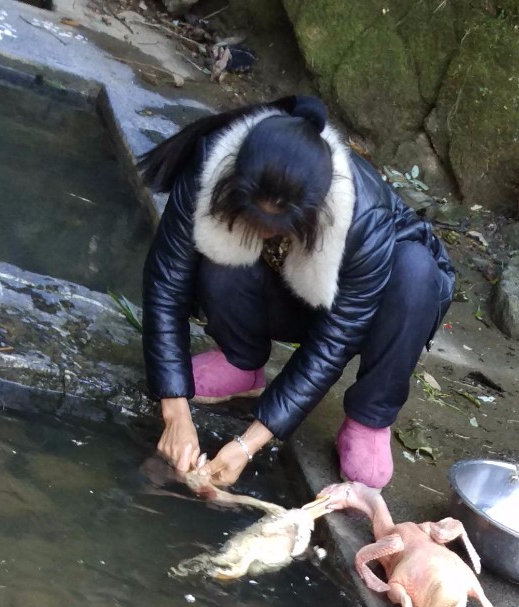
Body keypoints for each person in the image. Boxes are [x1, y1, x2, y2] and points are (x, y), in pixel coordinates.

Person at [139, 95, 454, 494]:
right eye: (255, 221)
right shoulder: (211, 165)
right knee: (218, 252)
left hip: (368, 310)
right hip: (286, 291)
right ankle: (241, 360)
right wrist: (175, 409)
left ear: (313, 211)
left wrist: (246, 445)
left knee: (414, 271)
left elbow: (335, 340)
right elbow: (166, 282)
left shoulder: (363, 215)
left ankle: (369, 416)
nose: (266, 233)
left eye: (276, 226)